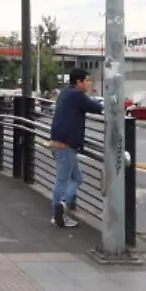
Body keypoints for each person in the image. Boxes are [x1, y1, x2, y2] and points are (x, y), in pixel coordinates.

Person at [48, 68, 104, 228]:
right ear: (78, 82)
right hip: (65, 146)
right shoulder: (77, 95)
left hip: (58, 143)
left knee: (76, 178)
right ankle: (60, 208)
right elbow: (96, 108)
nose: (89, 83)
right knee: (63, 180)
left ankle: (60, 208)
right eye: (87, 80)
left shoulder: (65, 93)